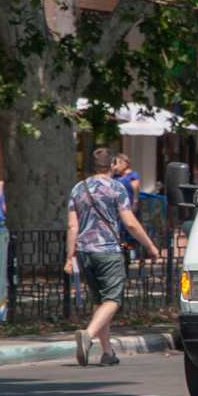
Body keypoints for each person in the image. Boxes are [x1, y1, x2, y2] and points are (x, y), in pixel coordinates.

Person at [65, 147, 161, 367]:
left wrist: (70, 256)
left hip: (84, 252)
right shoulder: (116, 187)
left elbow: (72, 225)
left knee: (99, 301)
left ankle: (107, 352)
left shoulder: (78, 188)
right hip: (108, 250)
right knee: (113, 299)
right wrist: (151, 246)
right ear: (112, 166)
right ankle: (87, 336)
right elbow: (129, 222)